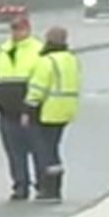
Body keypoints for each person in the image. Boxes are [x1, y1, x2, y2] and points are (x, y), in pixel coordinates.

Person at [0, 14, 43, 199]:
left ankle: (42, 185)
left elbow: (43, 81)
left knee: (39, 151)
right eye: (14, 28)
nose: (17, 32)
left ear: (28, 29)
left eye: (21, 28)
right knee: (15, 153)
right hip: (6, 112)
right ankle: (20, 186)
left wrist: (30, 106)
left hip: (33, 112)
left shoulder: (39, 51)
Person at [24, 26, 81, 201]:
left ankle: (50, 189)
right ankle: (54, 187)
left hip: (47, 111)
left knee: (45, 151)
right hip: (65, 110)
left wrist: (28, 110)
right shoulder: (71, 59)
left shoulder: (46, 61)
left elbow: (37, 89)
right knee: (53, 147)